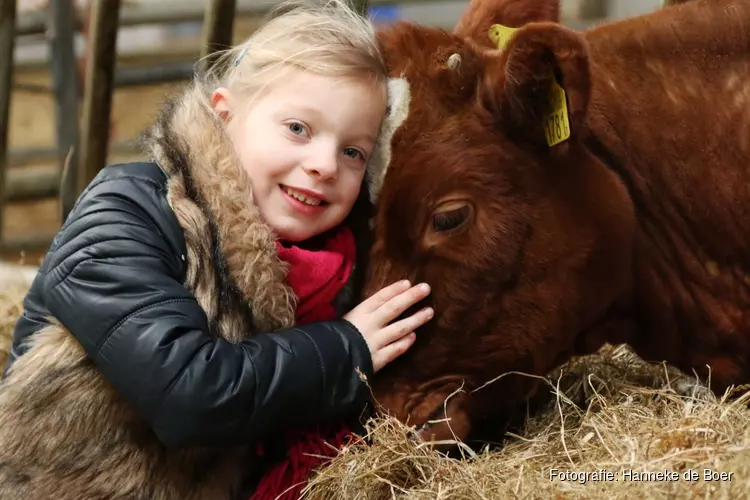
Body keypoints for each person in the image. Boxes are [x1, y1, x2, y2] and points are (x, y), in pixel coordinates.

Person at [0, 0, 433, 498]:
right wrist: (347, 350)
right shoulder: (124, 216)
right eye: (298, 128)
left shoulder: (330, 265)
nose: (324, 164)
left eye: (353, 150)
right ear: (226, 115)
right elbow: (189, 396)